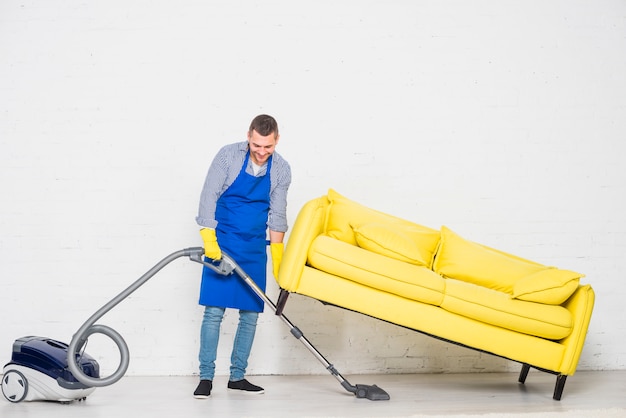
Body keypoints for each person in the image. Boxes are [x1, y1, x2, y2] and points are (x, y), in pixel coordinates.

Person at [193, 114, 291, 398]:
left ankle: (237, 377)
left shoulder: (282, 170)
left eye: (267, 147)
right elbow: (209, 195)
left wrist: (278, 254)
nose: (261, 152)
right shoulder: (227, 156)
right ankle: (206, 377)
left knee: (250, 315)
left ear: (276, 141)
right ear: (249, 136)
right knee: (214, 312)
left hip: (253, 248)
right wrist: (209, 238)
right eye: (257, 145)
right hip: (222, 242)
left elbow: (278, 214)